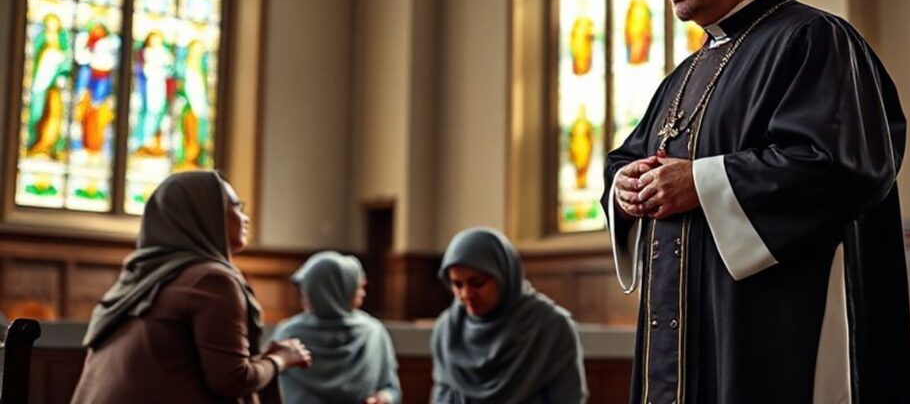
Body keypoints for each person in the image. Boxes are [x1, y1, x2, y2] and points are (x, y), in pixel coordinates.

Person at [601, 0, 910, 403]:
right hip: (684, 322)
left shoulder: (814, 38)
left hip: (770, 323)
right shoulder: (686, 73)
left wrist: (700, 183)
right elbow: (629, 155)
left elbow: (841, 165)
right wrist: (625, 184)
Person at [71, 171, 312, 404]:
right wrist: (280, 358)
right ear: (207, 215)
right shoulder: (212, 280)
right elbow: (233, 380)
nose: (245, 218)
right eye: (237, 207)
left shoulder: (142, 276)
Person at [430, 228, 587, 403]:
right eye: (457, 284)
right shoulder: (448, 330)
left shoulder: (552, 328)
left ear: (504, 275)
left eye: (477, 283)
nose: (466, 294)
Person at [271, 252, 401, 404]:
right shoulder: (289, 335)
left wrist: (383, 398)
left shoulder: (374, 333)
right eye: (359, 287)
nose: (363, 293)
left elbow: (391, 389)